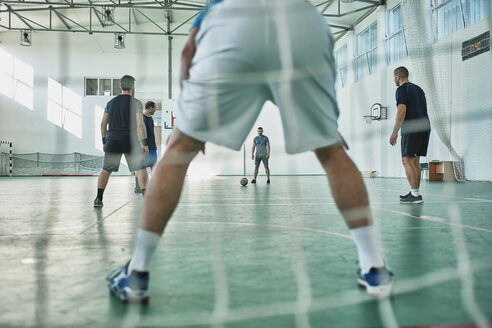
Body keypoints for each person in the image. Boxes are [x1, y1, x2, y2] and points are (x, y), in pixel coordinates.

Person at [107, 0, 392, 302]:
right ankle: (375, 267)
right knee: (333, 152)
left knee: (178, 151)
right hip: (302, 22)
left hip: (235, 21)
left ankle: (137, 273)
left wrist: (192, 123)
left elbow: (190, 49)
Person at [94, 75, 149, 207]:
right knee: (141, 168)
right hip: (130, 140)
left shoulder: (111, 103)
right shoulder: (136, 103)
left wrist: (104, 141)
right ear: (132, 86)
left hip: (112, 139)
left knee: (106, 169)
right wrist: (145, 143)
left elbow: (103, 123)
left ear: (120, 86)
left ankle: (98, 198)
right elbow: (140, 124)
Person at [390, 66, 431, 204]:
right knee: (414, 161)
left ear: (398, 76)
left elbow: (401, 111)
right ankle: (415, 192)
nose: (394, 80)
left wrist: (394, 132)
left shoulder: (401, 89)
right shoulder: (419, 89)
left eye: (394, 77)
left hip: (411, 127)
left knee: (406, 160)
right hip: (425, 127)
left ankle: (415, 195)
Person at [135, 101, 158, 193]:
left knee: (153, 166)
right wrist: (144, 145)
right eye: (155, 108)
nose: (155, 109)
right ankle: (138, 187)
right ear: (151, 108)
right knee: (141, 167)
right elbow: (140, 133)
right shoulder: (142, 118)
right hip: (145, 147)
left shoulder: (150, 118)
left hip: (152, 147)